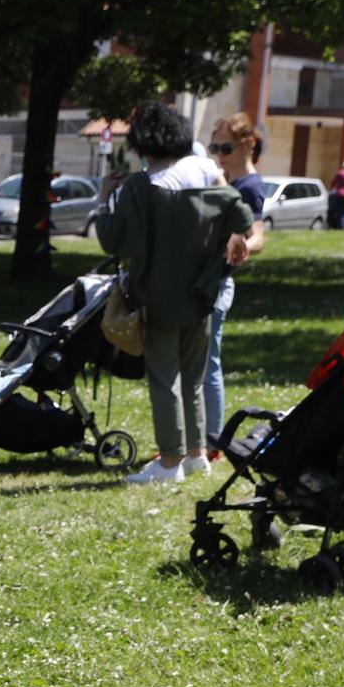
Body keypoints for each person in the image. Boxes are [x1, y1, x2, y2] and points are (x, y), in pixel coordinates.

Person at [96, 103, 253, 486]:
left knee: (164, 377)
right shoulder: (206, 172)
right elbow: (242, 217)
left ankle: (169, 462)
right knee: (194, 377)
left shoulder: (141, 186)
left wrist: (104, 198)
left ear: (142, 142)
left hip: (158, 294)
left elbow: (112, 240)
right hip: (202, 292)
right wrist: (234, 239)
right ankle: (197, 454)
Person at [203, 114, 269, 456]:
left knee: (207, 361)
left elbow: (257, 235)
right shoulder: (225, 178)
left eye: (226, 147)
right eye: (215, 146)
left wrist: (242, 242)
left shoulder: (250, 187)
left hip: (217, 285)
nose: (219, 153)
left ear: (249, 144)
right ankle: (199, 440)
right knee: (198, 360)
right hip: (204, 280)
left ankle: (213, 441)